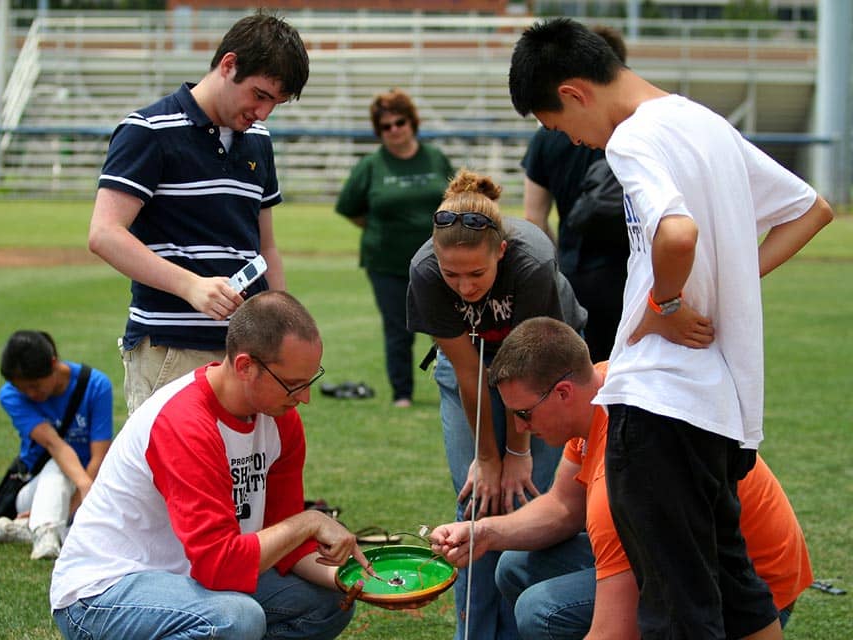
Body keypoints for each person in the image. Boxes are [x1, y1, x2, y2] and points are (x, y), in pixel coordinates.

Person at [508, 18, 833, 639]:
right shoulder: (703, 121)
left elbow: (676, 232)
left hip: (659, 403)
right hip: (719, 409)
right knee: (736, 590)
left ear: (575, 92)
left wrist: (668, 301)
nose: (575, 143)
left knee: (679, 607)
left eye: (559, 128)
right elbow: (810, 209)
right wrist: (728, 280)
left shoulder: (633, 140)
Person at [429, 317, 813, 640]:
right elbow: (564, 506)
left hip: (755, 596)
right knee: (514, 565)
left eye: (525, 413)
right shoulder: (602, 384)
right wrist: (486, 532)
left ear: (563, 393)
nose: (519, 427)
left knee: (540, 610)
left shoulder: (623, 468)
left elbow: (612, 631)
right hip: (705, 559)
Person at [50, 291, 368, 640]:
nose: (304, 398)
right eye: (293, 385)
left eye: (310, 381)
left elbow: (285, 541)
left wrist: (356, 580)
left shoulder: (282, 419)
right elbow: (221, 567)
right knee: (235, 619)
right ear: (246, 366)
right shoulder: (184, 423)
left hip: (190, 579)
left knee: (328, 601)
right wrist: (308, 522)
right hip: (103, 592)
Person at [88, 11, 310, 415]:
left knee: (245, 478)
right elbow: (104, 234)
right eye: (260, 95)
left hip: (249, 354)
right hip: (173, 348)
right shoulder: (148, 130)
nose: (263, 113)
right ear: (229, 64)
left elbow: (265, 248)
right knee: (172, 478)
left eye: (274, 103)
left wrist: (283, 325)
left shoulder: (258, 140)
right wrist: (191, 286)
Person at [407, 169, 587, 640]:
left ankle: (523, 627)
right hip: (470, 361)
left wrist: (517, 453)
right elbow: (470, 372)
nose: (464, 287)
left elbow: (526, 378)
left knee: (528, 498)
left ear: (501, 253)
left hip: (543, 366)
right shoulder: (425, 272)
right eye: (453, 275)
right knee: (477, 502)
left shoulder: (531, 263)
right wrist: (487, 457)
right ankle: (474, 633)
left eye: (476, 274)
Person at [335, 88, 453, 408]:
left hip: (438, 260)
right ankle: (402, 393)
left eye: (399, 122)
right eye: (386, 126)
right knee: (398, 329)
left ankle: (453, 386)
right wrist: (378, 228)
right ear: (379, 132)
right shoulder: (372, 165)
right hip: (386, 262)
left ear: (412, 122)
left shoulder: (435, 158)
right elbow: (348, 206)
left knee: (445, 325)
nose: (394, 130)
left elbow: (453, 200)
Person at [519, 25, 629, 361]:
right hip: (627, 268)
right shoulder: (633, 128)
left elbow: (534, 217)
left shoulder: (546, 137)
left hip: (572, 267)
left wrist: (558, 264)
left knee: (580, 368)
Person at [0, 330, 113, 560]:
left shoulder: (95, 385)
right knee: (59, 467)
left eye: (35, 385)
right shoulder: (9, 395)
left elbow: (100, 455)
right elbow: (55, 445)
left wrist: (81, 497)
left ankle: (25, 528)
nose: (30, 394)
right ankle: (46, 534)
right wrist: (85, 490)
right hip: (35, 491)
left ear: (54, 364)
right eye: (22, 388)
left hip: (90, 483)